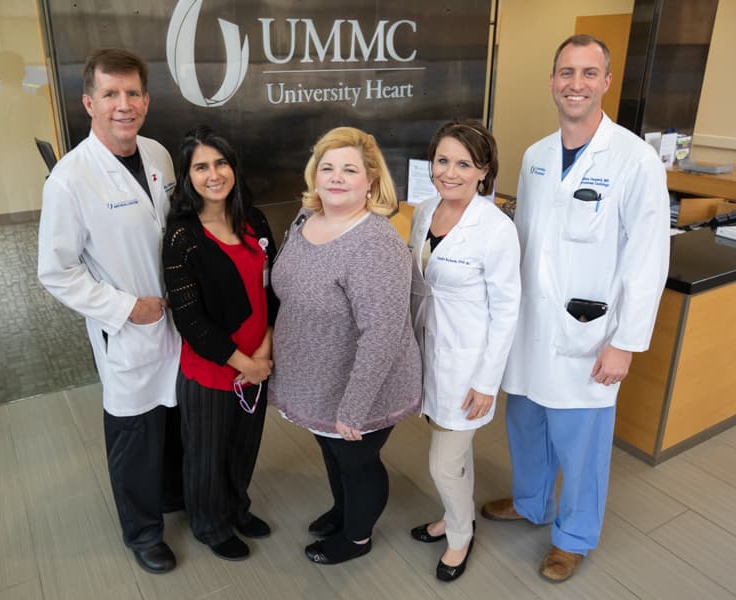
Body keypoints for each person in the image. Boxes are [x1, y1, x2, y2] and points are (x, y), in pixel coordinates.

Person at [480, 34, 670, 582]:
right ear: (552, 81)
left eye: (589, 73)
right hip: (531, 330)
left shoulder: (634, 161)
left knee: (581, 445)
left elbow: (648, 260)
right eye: (566, 72)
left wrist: (625, 342)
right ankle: (531, 502)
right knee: (526, 423)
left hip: (590, 336)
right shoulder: (537, 155)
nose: (576, 83)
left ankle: (573, 535)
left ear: (606, 82)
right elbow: (526, 239)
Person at [38, 48, 184, 574]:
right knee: (134, 432)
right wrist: (124, 308)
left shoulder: (159, 154)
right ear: (89, 103)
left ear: (145, 99)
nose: (123, 105)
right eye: (110, 94)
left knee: (172, 419)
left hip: (175, 320)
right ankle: (143, 532)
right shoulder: (71, 180)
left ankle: (173, 497)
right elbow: (56, 270)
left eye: (132, 93)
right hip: (126, 329)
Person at [268, 126, 422, 565]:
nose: (336, 177)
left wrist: (355, 406)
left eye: (349, 170)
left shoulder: (375, 244)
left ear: (370, 181)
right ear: (315, 174)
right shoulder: (304, 220)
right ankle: (342, 511)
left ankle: (357, 537)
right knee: (332, 453)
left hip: (363, 385)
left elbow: (384, 334)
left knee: (356, 461)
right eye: (328, 167)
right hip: (317, 380)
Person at [407, 119, 520, 582]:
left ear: (483, 171)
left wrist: (486, 382)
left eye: (463, 164)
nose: (449, 172)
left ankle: (459, 536)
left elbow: (507, 310)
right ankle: (459, 516)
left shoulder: (494, 229)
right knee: (453, 451)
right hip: (427, 348)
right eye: (442, 160)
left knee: (443, 461)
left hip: (468, 363)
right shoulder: (424, 210)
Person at [162, 126, 278, 561]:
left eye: (221, 162)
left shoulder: (255, 220)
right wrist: (241, 363)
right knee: (206, 453)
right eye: (201, 166)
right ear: (188, 175)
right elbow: (190, 319)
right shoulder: (182, 236)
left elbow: (273, 290)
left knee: (243, 445)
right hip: (213, 368)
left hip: (259, 361)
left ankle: (236, 506)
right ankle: (209, 523)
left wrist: (264, 352)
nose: (214, 174)